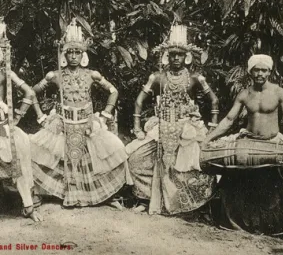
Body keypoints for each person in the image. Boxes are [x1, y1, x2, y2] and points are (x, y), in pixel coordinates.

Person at [30, 18, 132, 209]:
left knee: (116, 150)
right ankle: (45, 193)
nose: (74, 56)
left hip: (87, 123)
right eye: (70, 52)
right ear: (64, 55)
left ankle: (104, 196)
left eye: (78, 52)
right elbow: (31, 92)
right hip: (62, 123)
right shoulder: (55, 75)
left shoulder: (92, 74)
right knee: (37, 151)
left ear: (83, 55)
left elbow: (113, 91)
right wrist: (41, 116)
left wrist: (105, 114)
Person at [202, 54, 283, 244]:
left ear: (269, 72)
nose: (260, 73)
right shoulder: (245, 94)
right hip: (249, 140)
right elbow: (229, 120)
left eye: (264, 70)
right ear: (250, 71)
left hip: (272, 142)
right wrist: (208, 139)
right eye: (256, 69)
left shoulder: (279, 92)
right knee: (232, 177)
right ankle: (230, 224)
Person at [126, 25, 218, 215]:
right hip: (161, 126)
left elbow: (214, 100)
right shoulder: (157, 77)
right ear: (167, 56)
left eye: (180, 55)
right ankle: (147, 198)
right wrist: (137, 127)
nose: (176, 58)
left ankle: (187, 206)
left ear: (187, 57)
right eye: (173, 54)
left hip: (187, 128)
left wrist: (213, 127)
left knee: (191, 166)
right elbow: (138, 101)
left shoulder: (195, 78)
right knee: (136, 158)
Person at [0, 20, 42, 222]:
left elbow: (30, 91)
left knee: (20, 147)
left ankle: (28, 205)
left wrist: (16, 116)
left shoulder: (4, 73)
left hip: (1, 126)